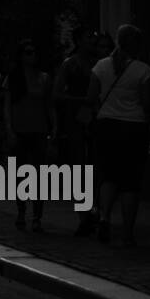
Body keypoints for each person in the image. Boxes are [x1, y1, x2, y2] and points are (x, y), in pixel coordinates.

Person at [86, 24, 150, 246]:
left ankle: (104, 217)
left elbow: (91, 96)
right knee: (130, 182)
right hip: (134, 127)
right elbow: (146, 103)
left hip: (106, 125)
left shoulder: (101, 66)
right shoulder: (143, 70)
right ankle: (127, 231)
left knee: (108, 176)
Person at [1, 40, 54, 232]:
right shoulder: (13, 78)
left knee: (39, 175)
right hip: (20, 130)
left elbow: (49, 105)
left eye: (34, 52)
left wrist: (53, 127)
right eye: (28, 53)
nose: (32, 56)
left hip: (39, 130)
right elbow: (7, 105)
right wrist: (9, 129)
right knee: (21, 174)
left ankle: (37, 215)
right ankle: (22, 210)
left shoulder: (44, 78)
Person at [53, 27, 100, 236]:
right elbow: (57, 93)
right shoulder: (70, 64)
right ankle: (84, 215)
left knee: (96, 168)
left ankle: (95, 210)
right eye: (88, 37)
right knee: (80, 169)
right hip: (77, 121)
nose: (92, 42)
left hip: (96, 120)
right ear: (79, 40)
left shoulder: (100, 63)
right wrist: (81, 101)